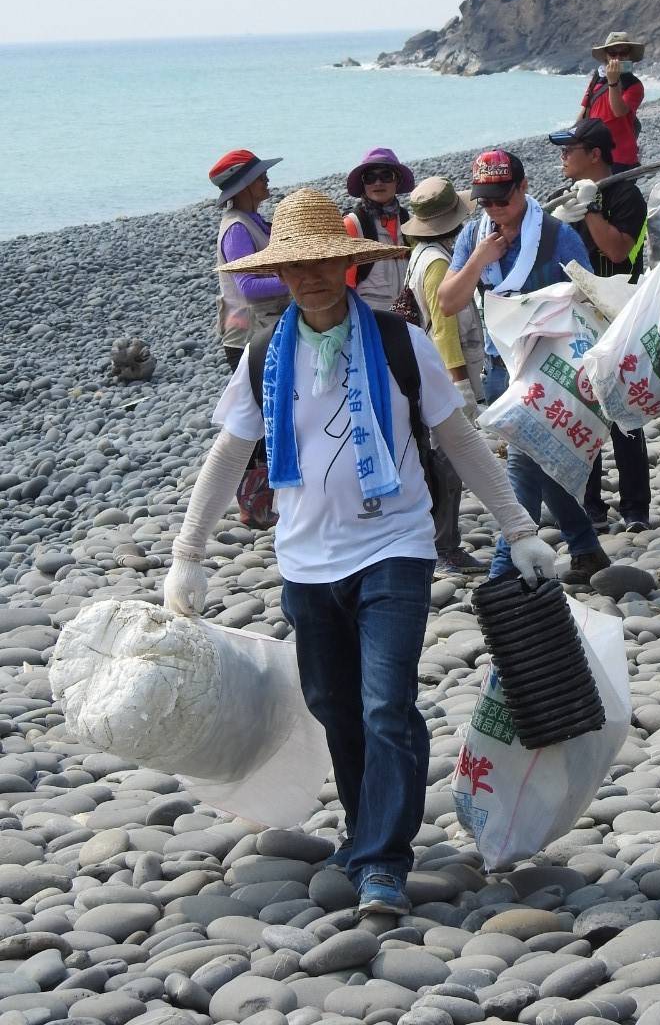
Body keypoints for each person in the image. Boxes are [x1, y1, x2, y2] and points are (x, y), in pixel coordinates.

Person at [163, 188, 556, 917]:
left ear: (348, 264)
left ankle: (382, 860)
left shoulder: (399, 344)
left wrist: (520, 529)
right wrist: (189, 551)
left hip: (394, 546)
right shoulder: (263, 359)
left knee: (386, 706)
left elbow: (459, 438)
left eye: (324, 262)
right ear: (280, 275)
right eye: (297, 266)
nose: (311, 276)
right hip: (305, 562)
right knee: (334, 707)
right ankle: (363, 827)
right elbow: (228, 454)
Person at [438, 149, 612, 586]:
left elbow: (589, 300)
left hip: (550, 367)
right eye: (486, 201)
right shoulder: (474, 237)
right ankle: (586, 546)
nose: (495, 209)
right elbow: (447, 301)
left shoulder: (555, 236)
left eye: (503, 198)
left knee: (522, 459)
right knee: (540, 458)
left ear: (524, 187)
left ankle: (506, 567)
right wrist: (479, 258)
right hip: (501, 366)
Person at [548, 119, 651, 533]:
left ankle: (635, 509)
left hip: (621, 312)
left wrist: (590, 210)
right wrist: (564, 217)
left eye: (568, 149)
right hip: (578, 314)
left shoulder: (626, 193)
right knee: (582, 408)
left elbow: (618, 249)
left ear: (594, 154)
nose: (562, 158)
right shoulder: (567, 198)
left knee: (624, 410)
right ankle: (589, 506)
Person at [400, 177, 486, 574]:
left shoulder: (421, 254)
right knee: (446, 462)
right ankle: (445, 545)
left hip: (429, 369)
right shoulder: (437, 263)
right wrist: (460, 383)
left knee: (436, 458)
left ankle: (438, 542)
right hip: (443, 370)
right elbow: (444, 326)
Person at [209, 149, 292, 528]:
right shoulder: (238, 228)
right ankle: (256, 504)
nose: (266, 182)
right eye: (260, 177)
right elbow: (248, 286)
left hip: (261, 329)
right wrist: (296, 280)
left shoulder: (251, 220)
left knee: (267, 413)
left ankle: (268, 499)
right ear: (243, 188)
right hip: (248, 336)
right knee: (258, 419)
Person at [344, 148, 414, 311]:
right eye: (370, 177)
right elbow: (344, 288)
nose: (378, 183)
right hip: (371, 320)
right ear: (363, 184)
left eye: (386, 176)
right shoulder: (353, 225)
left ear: (398, 181)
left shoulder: (410, 222)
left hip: (410, 319)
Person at [577, 31, 646, 171]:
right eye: (613, 53)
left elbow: (619, 111)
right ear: (606, 56)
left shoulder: (634, 85)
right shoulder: (597, 79)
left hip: (620, 156)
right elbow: (585, 111)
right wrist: (574, 137)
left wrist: (613, 83)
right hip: (594, 153)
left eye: (623, 53)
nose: (618, 58)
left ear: (630, 56)